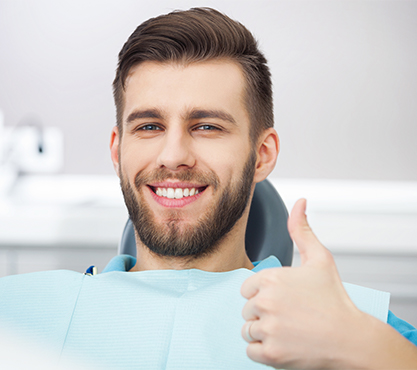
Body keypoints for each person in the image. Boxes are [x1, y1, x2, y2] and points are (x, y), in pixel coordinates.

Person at [1, 7, 416, 369]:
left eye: (206, 126)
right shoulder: (18, 311)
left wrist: (365, 348)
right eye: (149, 126)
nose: (173, 155)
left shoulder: (358, 326)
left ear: (263, 153)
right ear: (117, 150)